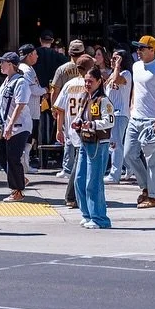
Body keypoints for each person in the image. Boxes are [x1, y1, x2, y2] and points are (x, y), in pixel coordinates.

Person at [123, 35, 155, 208]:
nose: (138, 51)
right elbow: (136, 88)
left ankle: (154, 195)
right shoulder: (136, 66)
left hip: (152, 120)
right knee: (128, 154)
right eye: (138, 48)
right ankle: (146, 187)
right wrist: (131, 106)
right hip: (135, 117)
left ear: (152, 50)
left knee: (153, 159)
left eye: (142, 48)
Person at [73, 67, 114, 229]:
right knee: (79, 179)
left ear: (99, 82)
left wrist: (93, 124)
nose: (87, 84)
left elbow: (110, 121)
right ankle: (87, 214)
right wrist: (78, 123)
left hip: (98, 143)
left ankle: (99, 218)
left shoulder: (103, 100)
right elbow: (81, 116)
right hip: (85, 141)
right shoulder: (85, 98)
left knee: (94, 181)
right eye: (85, 81)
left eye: (90, 81)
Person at [54, 55, 94, 209]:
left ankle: (75, 196)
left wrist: (59, 129)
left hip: (71, 128)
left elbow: (60, 109)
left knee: (80, 163)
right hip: (84, 128)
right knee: (80, 165)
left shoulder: (69, 84)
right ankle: (71, 196)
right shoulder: (91, 84)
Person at [0, 52, 32, 201]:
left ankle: (17, 190)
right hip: (3, 124)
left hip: (18, 126)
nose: (0, 65)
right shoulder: (6, 81)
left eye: (2, 62)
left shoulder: (20, 82)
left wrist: (10, 125)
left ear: (10, 64)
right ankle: (20, 179)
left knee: (13, 157)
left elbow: (20, 105)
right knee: (1, 154)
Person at [50, 40, 87, 178]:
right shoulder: (89, 68)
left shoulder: (62, 69)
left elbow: (55, 90)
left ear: (69, 53)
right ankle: (80, 166)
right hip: (84, 107)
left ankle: (67, 167)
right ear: (83, 53)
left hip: (67, 107)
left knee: (68, 137)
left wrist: (54, 108)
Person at [105, 49, 133, 184]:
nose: (112, 60)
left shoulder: (126, 74)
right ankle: (130, 166)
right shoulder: (112, 74)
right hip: (110, 113)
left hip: (120, 113)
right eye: (112, 58)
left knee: (115, 144)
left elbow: (117, 80)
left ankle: (115, 174)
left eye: (116, 58)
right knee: (111, 144)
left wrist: (117, 66)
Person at [18, 43, 43, 175]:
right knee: (28, 138)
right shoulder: (25, 70)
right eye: (35, 54)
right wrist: (45, 90)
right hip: (29, 110)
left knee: (30, 139)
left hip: (31, 110)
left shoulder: (27, 68)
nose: (37, 56)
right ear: (29, 55)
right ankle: (24, 165)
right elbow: (33, 90)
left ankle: (25, 163)